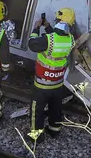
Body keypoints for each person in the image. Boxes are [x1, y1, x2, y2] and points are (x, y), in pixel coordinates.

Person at [26, 8, 78, 140]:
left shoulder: (47, 40)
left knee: (36, 111)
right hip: (57, 84)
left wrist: (36, 28)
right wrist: (48, 27)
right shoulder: (70, 40)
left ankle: (36, 136)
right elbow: (56, 40)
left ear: (58, 20)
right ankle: (55, 129)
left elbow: (32, 44)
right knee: (56, 108)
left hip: (42, 85)